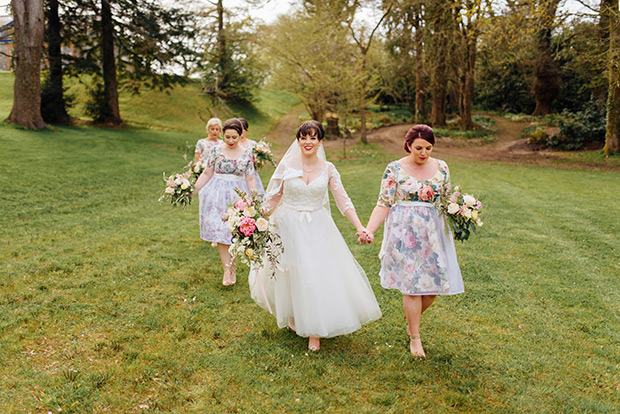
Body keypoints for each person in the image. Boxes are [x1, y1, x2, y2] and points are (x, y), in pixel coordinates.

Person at [249, 120, 382, 351]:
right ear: (298, 140)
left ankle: (314, 331)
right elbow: (273, 198)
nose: (308, 142)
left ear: (320, 141)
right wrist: (250, 219)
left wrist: (360, 226)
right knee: (290, 273)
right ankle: (293, 315)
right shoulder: (286, 166)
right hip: (286, 225)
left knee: (314, 272)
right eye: (303, 137)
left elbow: (343, 200)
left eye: (313, 137)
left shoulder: (328, 168)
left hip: (317, 226)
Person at [361, 124, 464, 358]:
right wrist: (370, 229)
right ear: (408, 145)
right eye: (418, 148)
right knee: (413, 287)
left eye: (428, 148)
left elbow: (447, 199)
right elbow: (383, 203)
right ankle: (415, 338)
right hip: (404, 233)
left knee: (432, 289)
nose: (424, 153)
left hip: (433, 234)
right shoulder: (394, 169)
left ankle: (412, 321)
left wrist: (461, 212)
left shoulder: (442, 167)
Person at [194, 119, 257, 286]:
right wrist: (192, 190)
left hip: (237, 195)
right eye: (227, 137)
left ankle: (232, 269)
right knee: (221, 234)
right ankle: (227, 271)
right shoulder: (215, 150)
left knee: (234, 233)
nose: (230, 141)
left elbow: (250, 178)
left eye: (234, 137)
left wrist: (254, 199)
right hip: (217, 194)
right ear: (223, 135)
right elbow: (207, 173)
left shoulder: (246, 153)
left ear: (240, 135)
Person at [237, 118, 265, 195]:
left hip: (251, 175)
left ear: (247, 129)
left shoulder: (252, 144)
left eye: (243, 129)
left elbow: (260, 164)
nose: (241, 131)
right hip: (237, 176)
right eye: (239, 129)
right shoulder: (233, 144)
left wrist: (256, 161)